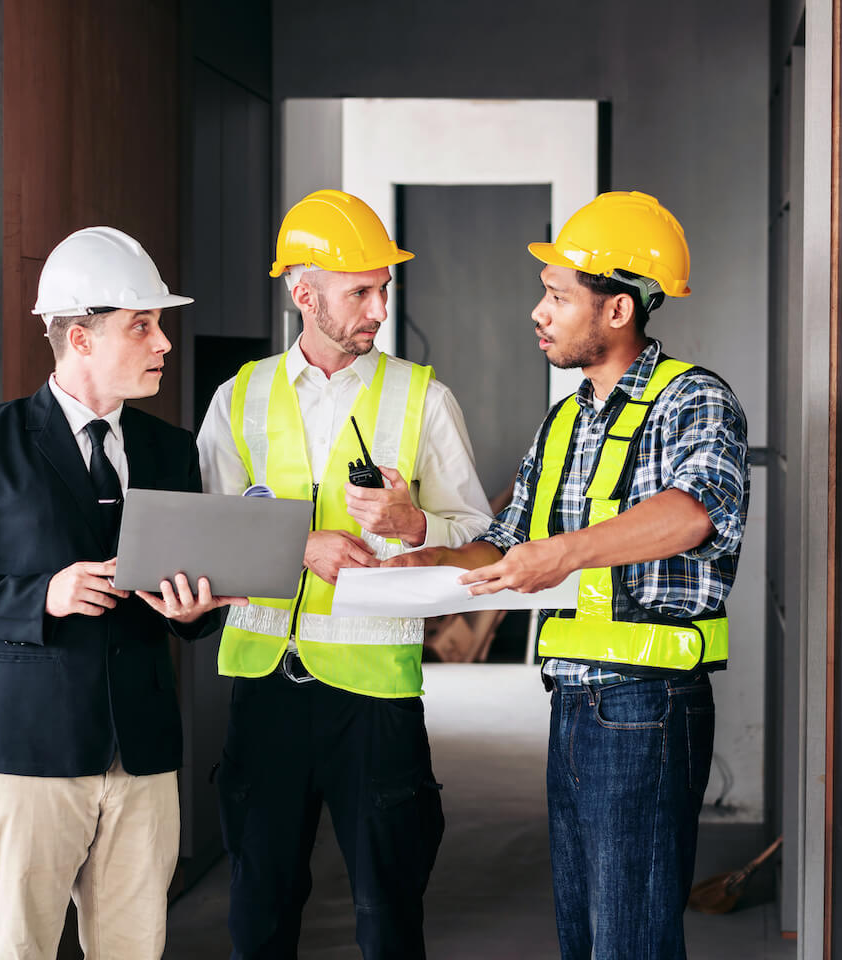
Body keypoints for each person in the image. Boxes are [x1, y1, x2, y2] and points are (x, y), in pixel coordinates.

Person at [387, 191, 750, 960]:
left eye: (556, 296)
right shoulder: (565, 419)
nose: (537, 312)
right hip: (574, 706)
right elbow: (509, 543)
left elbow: (695, 513)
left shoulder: (696, 400)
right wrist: (420, 546)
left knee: (631, 942)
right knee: (585, 939)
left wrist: (567, 551)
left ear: (617, 310)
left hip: (648, 707)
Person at [0, 226, 241, 959]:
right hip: (29, 754)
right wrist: (44, 595)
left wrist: (192, 615)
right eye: (143, 326)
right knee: (19, 948)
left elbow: (189, 604)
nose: (163, 344)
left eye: (159, 326)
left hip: (143, 756)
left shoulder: (169, 449)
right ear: (81, 337)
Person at [196, 189, 493, 959]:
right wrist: (299, 545)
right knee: (259, 910)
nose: (379, 308)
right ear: (305, 295)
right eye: (360, 290)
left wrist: (415, 523)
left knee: (388, 911)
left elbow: (476, 535)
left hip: (375, 696)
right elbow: (207, 531)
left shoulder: (424, 398)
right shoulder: (240, 398)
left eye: (383, 289)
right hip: (265, 688)